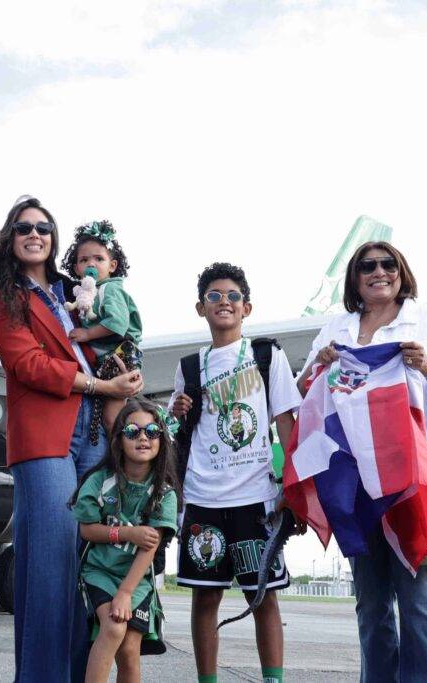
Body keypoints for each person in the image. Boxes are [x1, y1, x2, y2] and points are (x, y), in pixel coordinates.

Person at [0, 195, 143, 682]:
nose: (34, 234)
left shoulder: (76, 287)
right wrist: (100, 384)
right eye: (24, 227)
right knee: (49, 567)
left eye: (43, 227)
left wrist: (124, 373)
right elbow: (26, 364)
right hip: (46, 436)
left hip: (94, 432)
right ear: (10, 237)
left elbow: (114, 335)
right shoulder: (5, 296)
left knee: (91, 564)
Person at [296, 241, 427, 683]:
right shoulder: (337, 326)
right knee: (371, 605)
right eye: (368, 267)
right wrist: (318, 363)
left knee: (419, 603)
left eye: (388, 264)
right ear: (355, 278)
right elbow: (303, 392)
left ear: (401, 271)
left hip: (408, 482)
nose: (379, 272)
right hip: (352, 484)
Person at [168, 262, 303, 683]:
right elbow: (177, 433)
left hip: (256, 495)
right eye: (214, 296)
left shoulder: (267, 355)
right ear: (200, 307)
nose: (223, 302)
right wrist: (176, 411)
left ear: (247, 308)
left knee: (262, 596)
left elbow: (286, 421)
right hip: (204, 496)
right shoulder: (189, 367)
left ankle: (273, 678)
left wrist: (292, 486)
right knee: (205, 598)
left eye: (232, 297)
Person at [69, 398, 179, 683]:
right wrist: (127, 533)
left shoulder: (164, 493)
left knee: (130, 650)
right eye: (132, 431)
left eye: (152, 431)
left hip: (137, 581)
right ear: (118, 440)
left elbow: (149, 548)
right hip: (100, 573)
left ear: (161, 440)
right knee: (114, 629)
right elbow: (87, 530)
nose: (143, 437)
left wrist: (127, 593)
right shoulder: (99, 481)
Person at [61, 220, 142, 436]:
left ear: (112, 265)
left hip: (118, 355)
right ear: (76, 267)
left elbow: (116, 324)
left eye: (99, 259)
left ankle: (122, 456)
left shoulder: (110, 290)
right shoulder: (86, 292)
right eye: (84, 260)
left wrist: (87, 334)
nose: (91, 264)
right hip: (106, 357)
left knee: (111, 418)